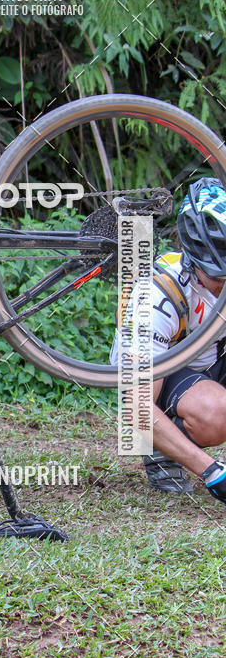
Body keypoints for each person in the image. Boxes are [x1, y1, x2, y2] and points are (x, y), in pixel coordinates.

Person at [111, 178, 226, 501]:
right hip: (161, 379)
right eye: (216, 277)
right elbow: (135, 407)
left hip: (210, 361)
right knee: (216, 414)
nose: (222, 285)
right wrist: (213, 472)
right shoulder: (159, 292)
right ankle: (164, 450)